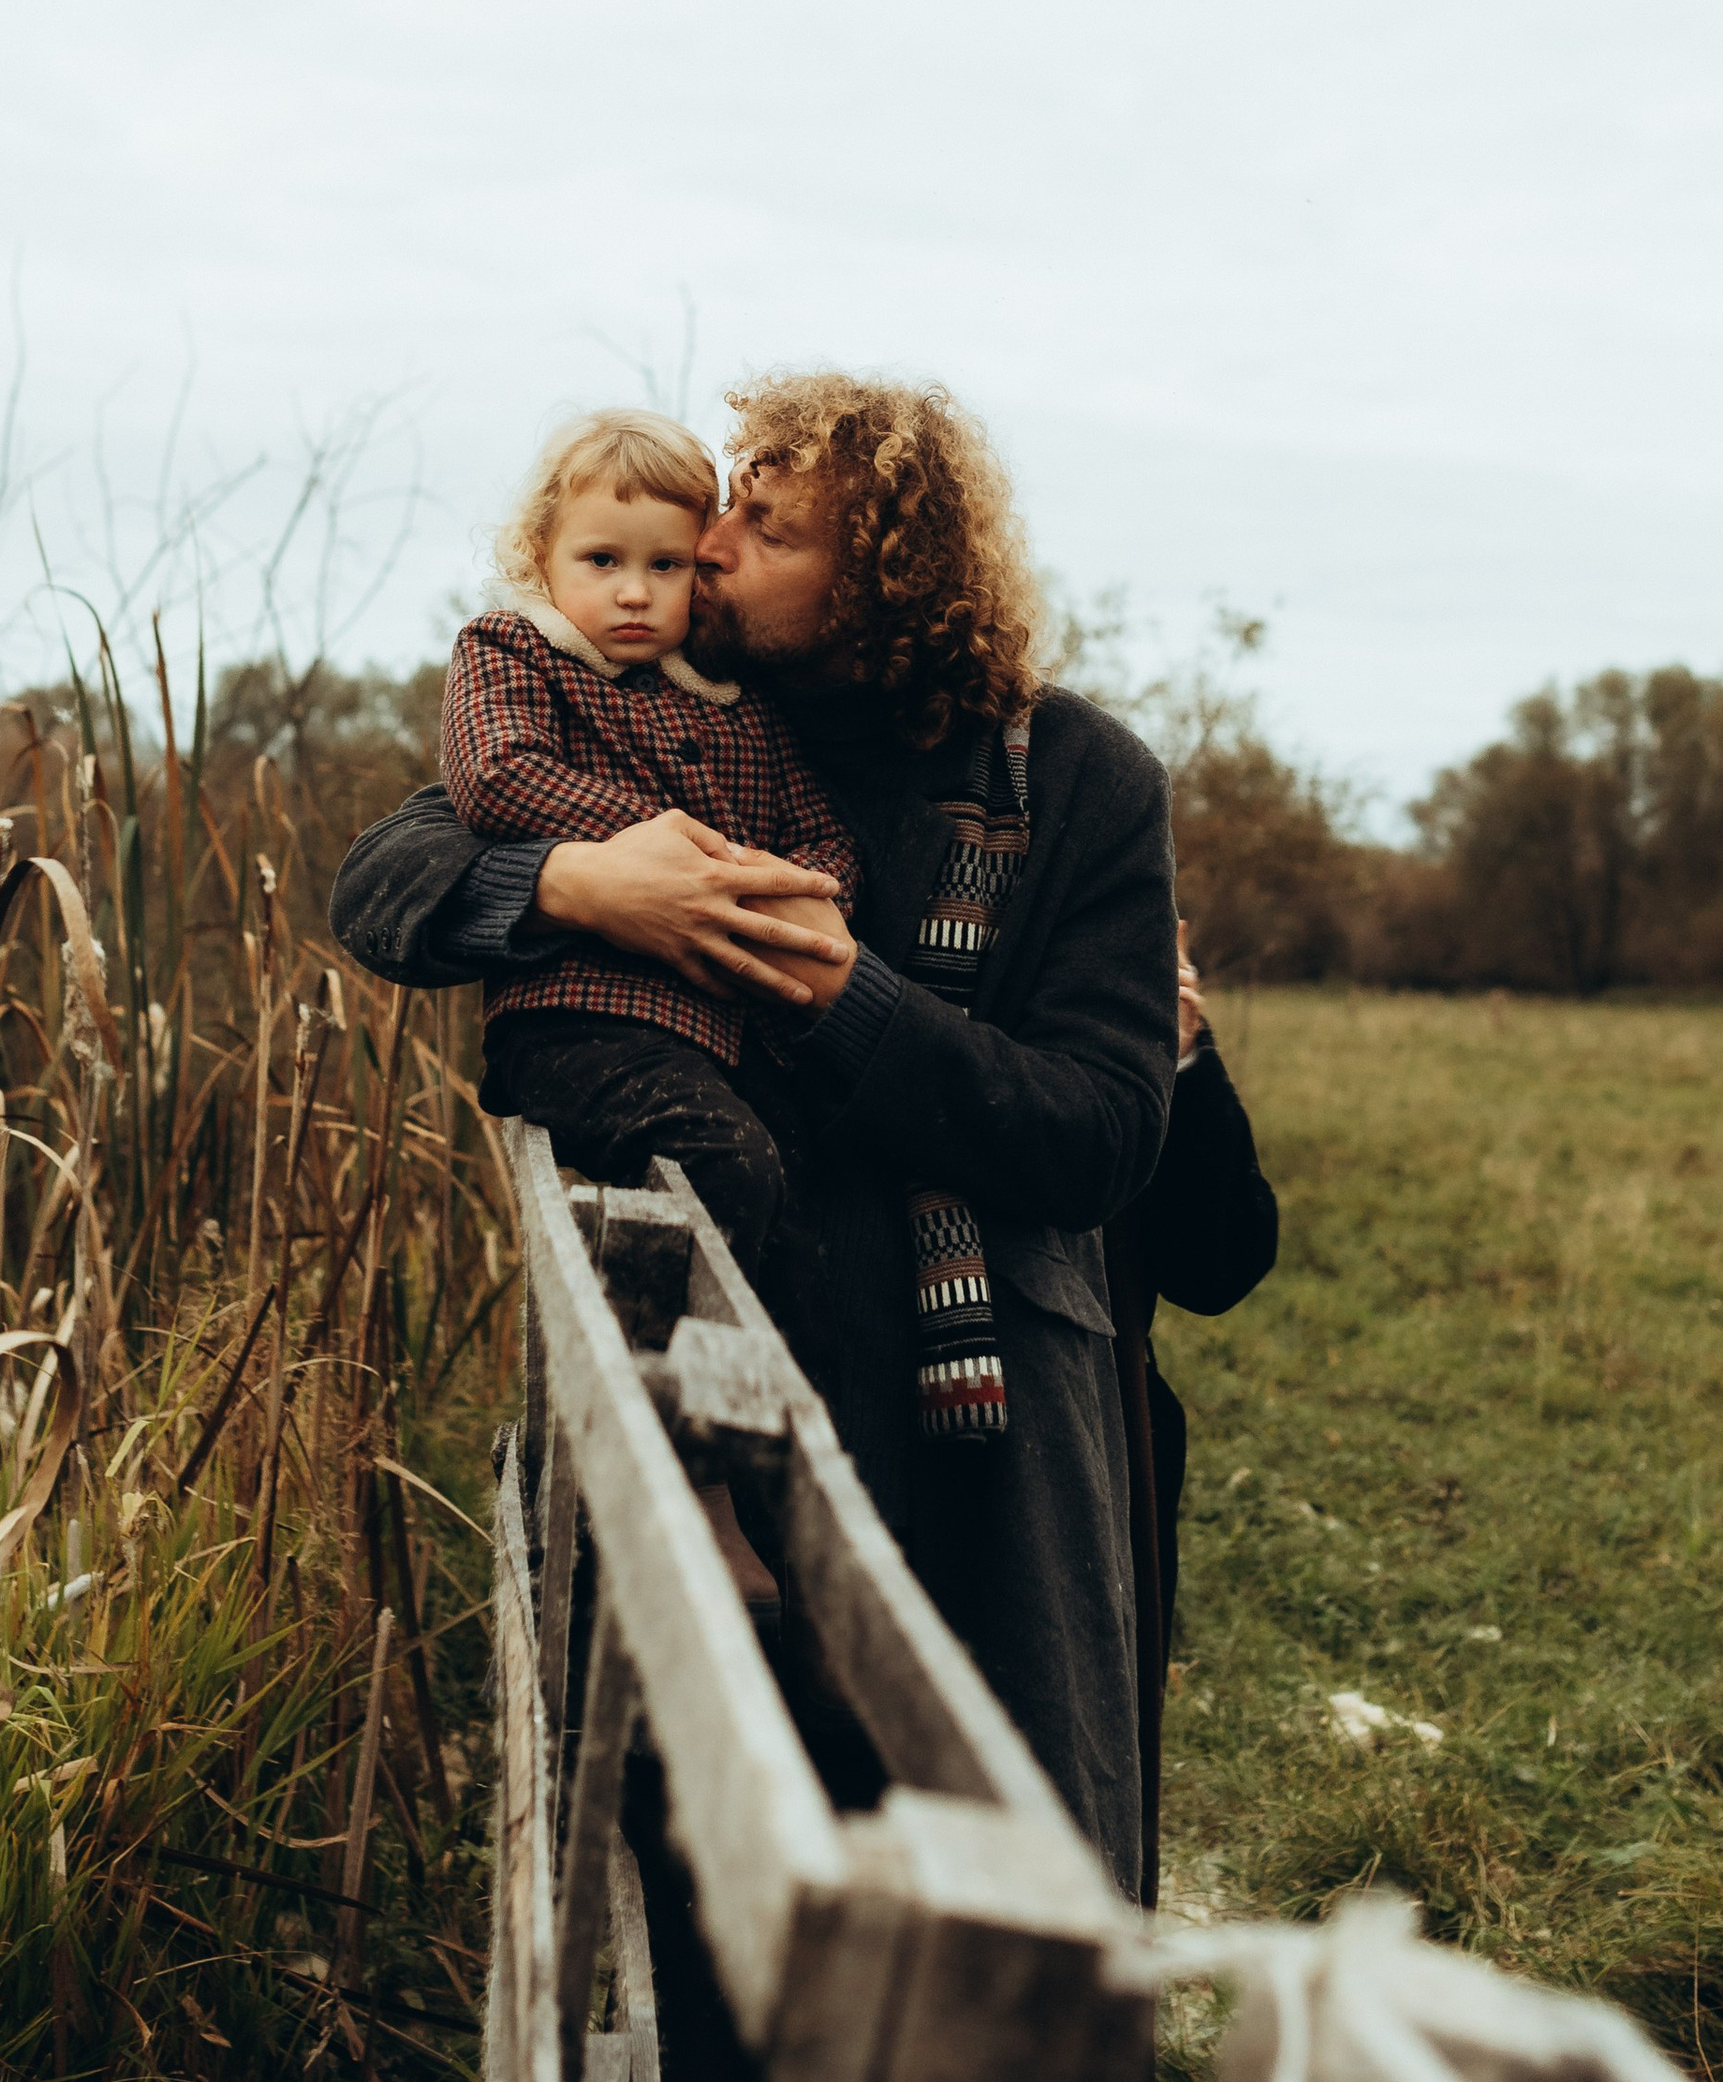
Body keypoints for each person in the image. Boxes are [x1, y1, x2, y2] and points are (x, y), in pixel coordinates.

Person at [339, 370, 1187, 1889]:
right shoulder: (672, 705)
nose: (710, 545)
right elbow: (389, 872)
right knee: (714, 1882)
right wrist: (570, 885)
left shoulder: (1076, 782)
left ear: (882, 579)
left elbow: (1108, 1131)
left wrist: (848, 998)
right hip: (734, 1342)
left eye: (766, 526)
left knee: (981, 1878)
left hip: (976, 1408)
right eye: (723, 504)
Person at [443, 406, 861, 1314]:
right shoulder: (514, 651)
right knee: (726, 1166)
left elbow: (819, 834)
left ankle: (774, 1420)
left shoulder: (737, 704)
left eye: (663, 565)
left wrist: (808, 894)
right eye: (603, 561)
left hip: (721, 1036)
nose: (634, 592)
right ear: (542, 557)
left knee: (808, 1210)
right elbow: (497, 776)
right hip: (578, 1020)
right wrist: (671, 847)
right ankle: (648, 1384)